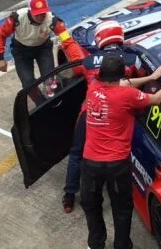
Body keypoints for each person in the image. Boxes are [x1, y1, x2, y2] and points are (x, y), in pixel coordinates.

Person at [81, 53, 161, 249]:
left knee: (91, 205)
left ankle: (95, 244)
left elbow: (125, 83)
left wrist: (150, 77)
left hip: (90, 162)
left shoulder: (93, 86)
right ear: (120, 76)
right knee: (122, 208)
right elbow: (157, 98)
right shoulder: (127, 96)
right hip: (116, 164)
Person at [60, 20, 141, 214]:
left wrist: (63, 33)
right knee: (119, 152)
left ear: (99, 38)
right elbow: (141, 77)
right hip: (119, 112)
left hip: (90, 111)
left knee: (77, 153)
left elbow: (74, 64)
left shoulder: (88, 61)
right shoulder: (131, 59)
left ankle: (69, 196)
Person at [0, 0, 71, 100]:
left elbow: (66, 39)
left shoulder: (53, 20)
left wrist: (74, 54)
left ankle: (54, 98)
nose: (40, 17)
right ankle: (40, 102)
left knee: (50, 79)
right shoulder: (17, 18)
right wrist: (0, 58)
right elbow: (1, 35)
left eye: (43, 13)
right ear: (30, 11)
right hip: (21, 51)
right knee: (27, 83)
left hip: (43, 49)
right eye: (37, 14)